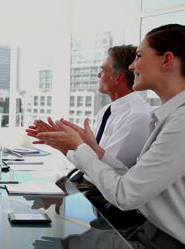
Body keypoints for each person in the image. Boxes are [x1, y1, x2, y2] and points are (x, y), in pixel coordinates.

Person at [36, 24, 185, 247]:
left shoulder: (180, 122)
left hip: (165, 241)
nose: (133, 65)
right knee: (52, 240)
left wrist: (80, 149)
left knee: (52, 243)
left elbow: (126, 195)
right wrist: (93, 151)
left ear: (166, 60)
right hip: (149, 230)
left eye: (139, 55)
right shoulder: (168, 116)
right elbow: (134, 183)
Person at [27, 45, 153, 228]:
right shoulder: (107, 110)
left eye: (102, 69)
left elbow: (102, 171)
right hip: (82, 185)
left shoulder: (137, 117)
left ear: (118, 77)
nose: (98, 75)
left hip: (100, 198)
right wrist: (62, 143)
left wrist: (68, 146)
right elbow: (89, 159)